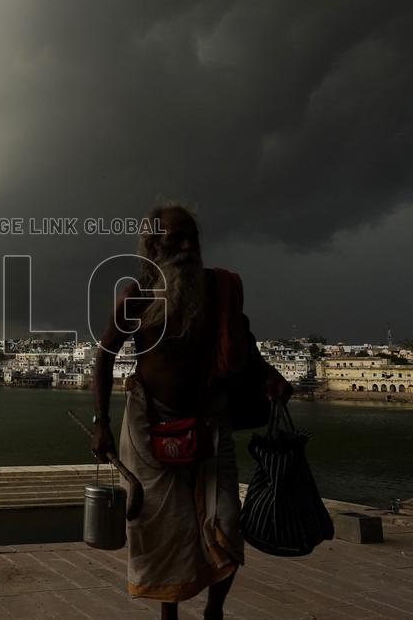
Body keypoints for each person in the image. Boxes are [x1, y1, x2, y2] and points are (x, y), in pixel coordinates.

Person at [91, 204, 291, 620]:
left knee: (227, 521)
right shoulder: (136, 296)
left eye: (191, 238)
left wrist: (268, 373)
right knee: (165, 532)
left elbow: (243, 343)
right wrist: (102, 425)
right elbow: (103, 358)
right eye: (175, 238)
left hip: (208, 419)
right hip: (149, 423)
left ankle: (214, 610)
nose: (186, 247)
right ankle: (170, 614)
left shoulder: (217, 289)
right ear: (153, 245)